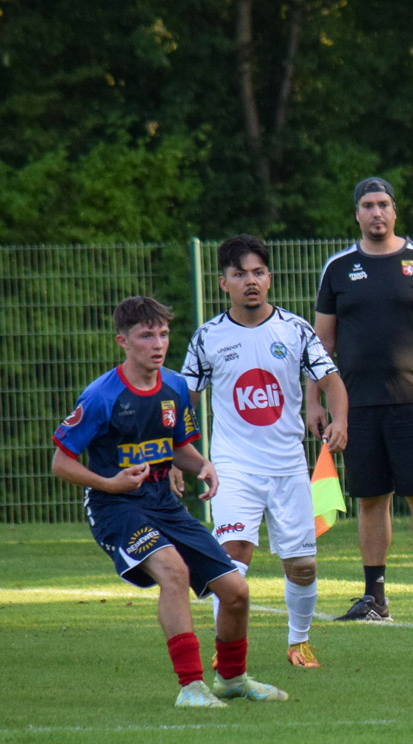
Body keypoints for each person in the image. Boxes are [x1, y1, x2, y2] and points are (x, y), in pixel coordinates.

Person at [50, 296, 288, 708]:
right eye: (146, 336)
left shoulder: (175, 386)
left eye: (163, 334)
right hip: (115, 507)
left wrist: (203, 465)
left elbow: (177, 446)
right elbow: (61, 462)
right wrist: (110, 484)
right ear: (123, 341)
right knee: (174, 571)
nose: (158, 344)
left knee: (236, 591)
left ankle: (232, 680)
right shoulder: (101, 396)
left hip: (163, 503)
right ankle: (191, 687)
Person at [181, 234, 349, 669]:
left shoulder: (295, 330)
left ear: (269, 278)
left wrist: (341, 420)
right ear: (224, 283)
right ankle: (226, 650)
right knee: (233, 555)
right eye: (240, 274)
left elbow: (332, 382)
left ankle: (299, 642)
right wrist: (177, 455)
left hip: (288, 465)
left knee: (303, 565)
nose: (250, 281)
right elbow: (184, 401)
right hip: (233, 466)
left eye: (258, 272)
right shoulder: (208, 337)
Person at [312, 176, 413, 624]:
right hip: (357, 406)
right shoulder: (338, 268)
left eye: (383, 204)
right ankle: (374, 599)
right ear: (356, 214)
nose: (376, 212)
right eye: (367, 205)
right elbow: (320, 344)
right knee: (370, 499)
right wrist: (314, 402)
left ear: (395, 211)